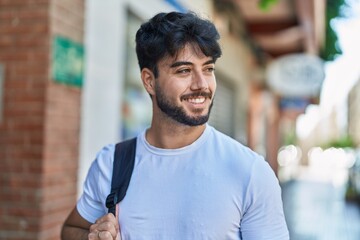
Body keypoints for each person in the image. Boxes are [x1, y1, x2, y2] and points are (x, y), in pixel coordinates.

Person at [61, 11, 289, 240]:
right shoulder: (111, 163)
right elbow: (70, 230)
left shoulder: (250, 172)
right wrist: (92, 237)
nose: (202, 84)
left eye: (208, 69)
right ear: (149, 81)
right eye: (184, 71)